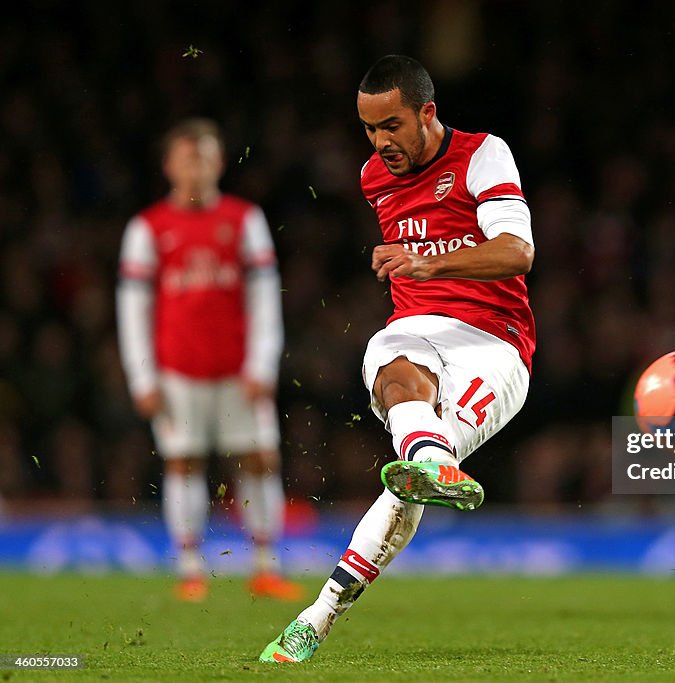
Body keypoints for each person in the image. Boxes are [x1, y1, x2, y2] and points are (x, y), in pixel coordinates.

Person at [260, 55, 535, 663]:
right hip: (415, 334)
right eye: (369, 128)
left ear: (427, 113)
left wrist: (428, 261)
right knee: (389, 361)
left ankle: (323, 611)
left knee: (407, 491)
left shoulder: (483, 154)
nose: (380, 142)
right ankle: (431, 460)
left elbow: (517, 252)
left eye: (391, 125)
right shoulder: (373, 179)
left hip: (496, 346)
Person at [116, 118, 301, 603]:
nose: (195, 166)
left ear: (219, 162)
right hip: (178, 370)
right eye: (186, 157)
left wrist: (262, 365)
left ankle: (265, 565)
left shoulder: (245, 220)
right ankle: (190, 567)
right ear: (168, 165)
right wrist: (142, 376)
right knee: (184, 464)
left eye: (204, 156)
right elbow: (133, 309)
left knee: (259, 461)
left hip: (238, 371)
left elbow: (264, 298)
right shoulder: (148, 228)